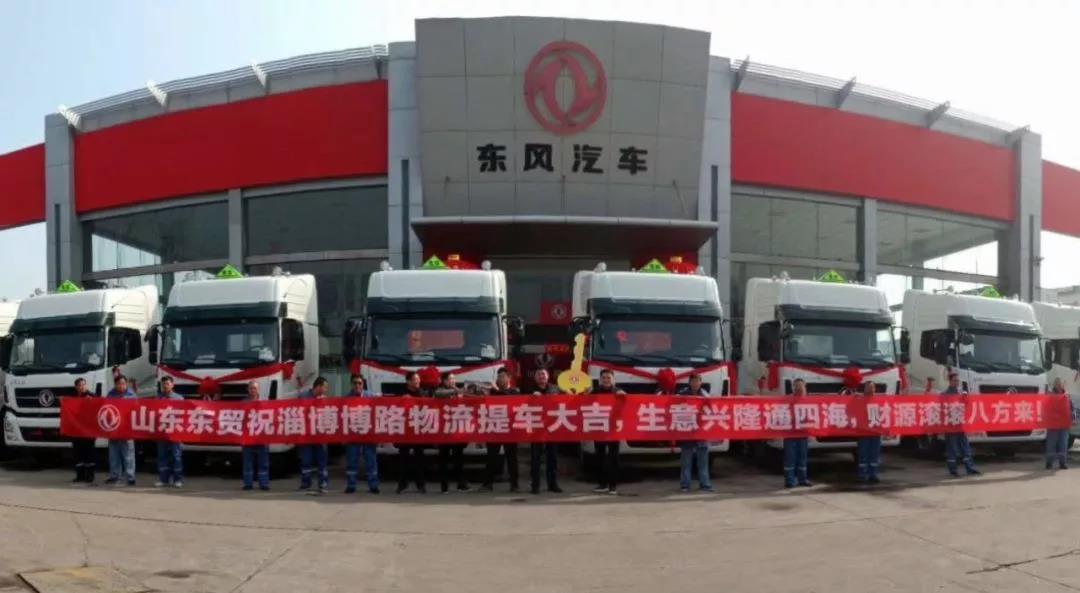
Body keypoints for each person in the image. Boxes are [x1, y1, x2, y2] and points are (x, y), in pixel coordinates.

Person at [482, 367, 520, 492]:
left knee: (512, 458)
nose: (500, 379)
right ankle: (487, 484)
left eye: (502, 377)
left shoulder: (515, 391)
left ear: (509, 378)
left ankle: (514, 484)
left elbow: (509, 399)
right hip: (495, 428)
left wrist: (497, 390)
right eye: (498, 377)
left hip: (510, 430)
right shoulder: (492, 391)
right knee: (491, 457)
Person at [432, 372, 470, 494]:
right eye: (450, 379)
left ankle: (461, 485)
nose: (453, 381)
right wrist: (457, 391)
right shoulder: (439, 391)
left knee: (458, 458)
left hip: (456, 430)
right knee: (443, 459)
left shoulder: (458, 392)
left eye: (454, 379)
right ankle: (444, 487)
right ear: (443, 381)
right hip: (444, 431)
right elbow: (439, 394)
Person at [677, 372, 713, 493]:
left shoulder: (705, 395)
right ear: (689, 382)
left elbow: (711, 410)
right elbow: (674, 404)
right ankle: (685, 485)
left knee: (703, 462)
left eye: (697, 381)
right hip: (687, 431)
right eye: (693, 381)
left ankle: (705, 485)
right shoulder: (682, 394)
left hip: (701, 432)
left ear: (701, 383)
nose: (695, 383)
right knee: (686, 462)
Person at [591, 368, 626, 495]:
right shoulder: (594, 392)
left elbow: (628, 405)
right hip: (599, 429)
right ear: (600, 380)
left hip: (613, 429)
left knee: (613, 458)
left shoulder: (618, 391)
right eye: (604, 378)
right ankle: (602, 484)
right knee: (599, 457)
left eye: (608, 378)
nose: (606, 380)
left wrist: (623, 395)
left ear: (613, 380)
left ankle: (613, 486)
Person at [344, 375, 380, 494]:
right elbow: (342, 417)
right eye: (355, 383)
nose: (357, 385)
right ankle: (351, 485)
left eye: (359, 383)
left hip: (368, 434)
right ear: (351, 384)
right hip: (353, 434)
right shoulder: (346, 399)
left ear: (363, 384)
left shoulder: (371, 396)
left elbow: (378, 412)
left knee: (371, 461)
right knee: (352, 461)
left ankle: (373, 485)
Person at [529, 368, 562, 494]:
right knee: (536, 458)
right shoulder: (529, 389)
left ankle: (553, 484)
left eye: (543, 374)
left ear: (548, 377)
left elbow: (566, 400)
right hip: (536, 427)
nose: (541, 376)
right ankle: (535, 485)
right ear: (535, 378)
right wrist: (532, 397)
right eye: (538, 374)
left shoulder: (555, 389)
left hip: (552, 427)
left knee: (552, 457)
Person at [942, 372, 981, 477]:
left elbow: (967, 406)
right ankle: (953, 470)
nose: (957, 382)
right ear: (950, 381)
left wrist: (966, 398)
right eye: (955, 380)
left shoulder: (961, 394)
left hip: (960, 425)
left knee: (965, 448)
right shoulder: (945, 395)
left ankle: (970, 468)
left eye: (957, 380)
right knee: (952, 449)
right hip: (950, 427)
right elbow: (942, 410)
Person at [397, 371, 428, 494]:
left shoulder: (423, 393)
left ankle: (421, 484)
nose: (417, 381)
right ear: (408, 381)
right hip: (405, 430)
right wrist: (402, 401)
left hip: (418, 430)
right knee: (403, 459)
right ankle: (402, 484)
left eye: (418, 379)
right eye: (415, 379)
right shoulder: (402, 393)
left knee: (419, 459)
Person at [298, 377, 330, 494]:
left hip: (320, 434)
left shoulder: (325, 399)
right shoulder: (303, 396)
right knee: (306, 460)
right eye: (325, 387)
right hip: (306, 434)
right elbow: (297, 412)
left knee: (322, 460)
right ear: (318, 386)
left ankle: (323, 483)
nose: (326, 390)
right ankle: (306, 482)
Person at [105, 375, 137, 486]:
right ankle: (114, 476)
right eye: (118, 384)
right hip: (114, 428)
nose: (121, 386)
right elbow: (106, 409)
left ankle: (130, 477)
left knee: (128, 454)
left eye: (123, 383)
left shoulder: (132, 395)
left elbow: (136, 410)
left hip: (127, 429)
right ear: (115, 384)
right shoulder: (110, 395)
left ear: (126, 384)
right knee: (114, 454)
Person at [154, 376, 185, 488]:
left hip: (175, 431)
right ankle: (163, 479)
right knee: (162, 456)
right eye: (163, 384)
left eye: (167, 383)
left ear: (172, 384)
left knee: (176, 456)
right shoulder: (158, 399)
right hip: (162, 431)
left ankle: (178, 479)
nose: (165, 386)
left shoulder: (179, 398)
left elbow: (184, 414)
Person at [241, 381, 271, 491]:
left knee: (263, 462)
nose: (253, 390)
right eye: (251, 388)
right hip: (248, 436)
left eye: (255, 388)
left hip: (261, 436)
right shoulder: (243, 402)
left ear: (258, 390)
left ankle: (264, 484)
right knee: (247, 462)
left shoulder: (265, 402)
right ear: (248, 390)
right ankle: (248, 484)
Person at [782, 378, 811, 488]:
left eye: (801, 385)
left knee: (802, 457)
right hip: (790, 434)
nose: (799, 388)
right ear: (793, 387)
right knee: (790, 457)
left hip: (803, 433)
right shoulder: (787, 399)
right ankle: (789, 480)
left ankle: (802, 479)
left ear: (805, 387)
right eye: (797, 385)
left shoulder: (809, 400)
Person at [70, 378, 98, 484]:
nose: (82, 387)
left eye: (83, 385)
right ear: (76, 387)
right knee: (78, 454)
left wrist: (92, 401)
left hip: (88, 431)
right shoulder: (73, 397)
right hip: (76, 431)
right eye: (79, 385)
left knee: (89, 453)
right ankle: (80, 476)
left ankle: (90, 476)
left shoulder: (92, 396)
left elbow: (98, 406)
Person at [855, 380, 882, 484]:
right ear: (864, 389)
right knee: (863, 454)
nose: (871, 389)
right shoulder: (860, 400)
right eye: (868, 387)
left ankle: (873, 474)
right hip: (864, 432)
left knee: (874, 455)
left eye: (872, 387)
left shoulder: (879, 401)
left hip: (875, 432)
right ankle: (862, 475)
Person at [1045, 377, 1072, 470]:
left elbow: (1071, 407)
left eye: (1060, 384)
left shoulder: (1066, 396)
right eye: (1057, 384)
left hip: (1064, 424)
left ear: (1062, 385)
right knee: (1051, 444)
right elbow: (1046, 408)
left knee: (1063, 444)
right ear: (1055, 385)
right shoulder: (1050, 395)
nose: (1059, 386)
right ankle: (1049, 462)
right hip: (1053, 424)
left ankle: (1062, 462)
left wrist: (1073, 416)